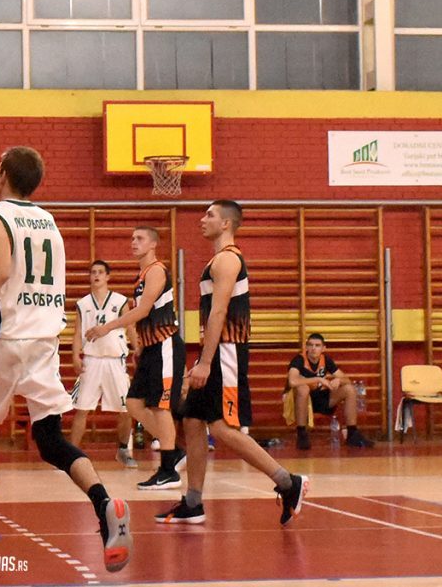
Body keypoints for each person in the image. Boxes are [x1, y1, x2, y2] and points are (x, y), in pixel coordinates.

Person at [0, 147, 132, 573]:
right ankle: (102, 503)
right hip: (44, 338)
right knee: (50, 439)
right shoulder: (48, 220)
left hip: (3, 338)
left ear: (2, 173)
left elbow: (1, 271)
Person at [156, 201, 309, 527]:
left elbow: (219, 312)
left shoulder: (227, 259)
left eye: (210, 215)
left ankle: (288, 482)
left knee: (222, 427)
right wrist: (202, 359)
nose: (202, 219)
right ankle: (193, 502)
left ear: (226, 223)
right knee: (192, 420)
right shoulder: (218, 260)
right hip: (216, 351)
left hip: (226, 353)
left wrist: (206, 362)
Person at [86, 226, 187, 490]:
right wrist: (140, 344)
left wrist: (107, 327)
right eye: (132, 238)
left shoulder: (156, 270)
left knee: (160, 407)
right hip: (151, 347)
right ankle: (174, 451)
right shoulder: (141, 275)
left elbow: (142, 311)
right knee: (133, 403)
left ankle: (169, 470)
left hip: (165, 344)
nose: (133, 242)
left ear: (153, 244)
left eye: (139, 238)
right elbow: (146, 316)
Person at [69, 260, 137, 469]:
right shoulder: (83, 304)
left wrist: (138, 349)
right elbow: (77, 333)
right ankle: (70, 456)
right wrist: (75, 355)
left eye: (100, 272)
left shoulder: (120, 301)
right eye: (93, 272)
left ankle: (123, 450)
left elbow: (131, 328)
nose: (96, 275)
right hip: (91, 361)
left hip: (115, 361)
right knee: (82, 409)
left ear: (108, 276)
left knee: (125, 409)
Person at [288, 333, 374, 449]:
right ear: (306, 347)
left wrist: (338, 380)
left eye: (317, 345)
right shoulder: (299, 360)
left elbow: (347, 379)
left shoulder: (326, 360)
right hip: (303, 402)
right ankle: (302, 433)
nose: (313, 348)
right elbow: (292, 381)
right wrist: (318, 379)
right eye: (311, 345)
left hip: (321, 399)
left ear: (323, 348)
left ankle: (352, 433)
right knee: (303, 389)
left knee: (349, 389)